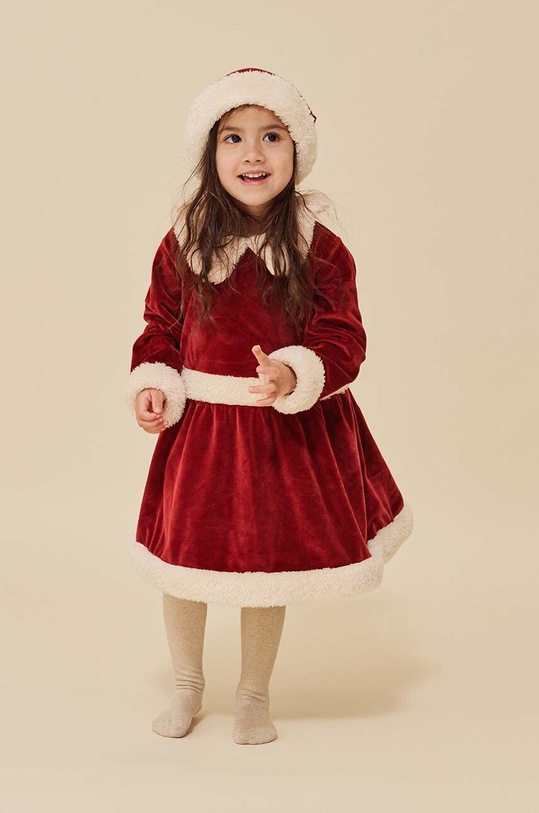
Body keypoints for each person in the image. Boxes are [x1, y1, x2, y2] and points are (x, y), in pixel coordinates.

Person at [126, 67, 413, 746]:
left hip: (279, 434)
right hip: (203, 432)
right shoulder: (185, 239)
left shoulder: (318, 244)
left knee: (265, 566)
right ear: (210, 151)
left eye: (271, 136)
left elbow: (342, 336)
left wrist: (292, 371)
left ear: (296, 148)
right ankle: (188, 684)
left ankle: (252, 695)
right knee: (186, 562)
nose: (252, 154)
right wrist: (154, 382)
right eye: (233, 137)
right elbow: (160, 324)